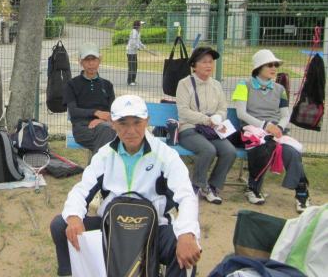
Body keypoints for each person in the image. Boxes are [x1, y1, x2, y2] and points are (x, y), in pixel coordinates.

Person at [51, 94, 201, 277]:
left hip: (153, 229)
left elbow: (186, 196)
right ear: (113, 124)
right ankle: (72, 273)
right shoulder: (104, 155)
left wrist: (187, 233)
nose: (131, 130)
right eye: (123, 123)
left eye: (137, 122)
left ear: (147, 121)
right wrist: (74, 216)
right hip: (111, 227)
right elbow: (82, 189)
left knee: (187, 248)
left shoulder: (166, 156)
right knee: (61, 225)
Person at [232, 49, 310, 213]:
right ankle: (253, 188)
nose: (274, 68)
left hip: (275, 131)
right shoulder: (243, 85)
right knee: (264, 147)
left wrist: (279, 128)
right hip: (251, 131)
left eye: (276, 65)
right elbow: (241, 114)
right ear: (258, 67)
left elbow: (285, 115)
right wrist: (265, 126)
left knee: (292, 152)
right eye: (269, 65)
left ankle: (302, 192)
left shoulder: (280, 89)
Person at [176, 46, 237, 205]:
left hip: (211, 131)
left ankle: (213, 186)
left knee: (230, 151)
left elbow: (223, 108)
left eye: (211, 62)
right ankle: (198, 185)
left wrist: (218, 117)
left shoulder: (216, 85)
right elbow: (183, 111)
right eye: (204, 62)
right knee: (208, 150)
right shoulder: (184, 84)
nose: (208, 65)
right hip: (189, 129)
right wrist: (206, 119)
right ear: (194, 65)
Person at [63, 42, 116, 154]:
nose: (91, 63)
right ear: (80, 62)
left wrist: (101, 120)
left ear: (99, 60)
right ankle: (101, 164)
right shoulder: (72, 84)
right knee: (110, 136)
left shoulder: (107, 85)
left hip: (105, 125)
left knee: (107, 132)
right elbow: (73, 111)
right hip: (82, 128)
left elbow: (113, 111)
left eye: (94, 59)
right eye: (87, 60)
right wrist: (96, 112)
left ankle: (95, 165)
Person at [126, 20, 146, 85]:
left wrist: (143, 46)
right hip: (130, 52)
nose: (141, 26)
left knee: (135, 66)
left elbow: (138, 41)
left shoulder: (138, 32)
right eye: (141, 25)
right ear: (137, 26)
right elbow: (133, 42)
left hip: (134, 52)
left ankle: (133, 80)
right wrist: (138, 47)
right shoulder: (134, 32)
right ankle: (130, 81)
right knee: (131, 67)